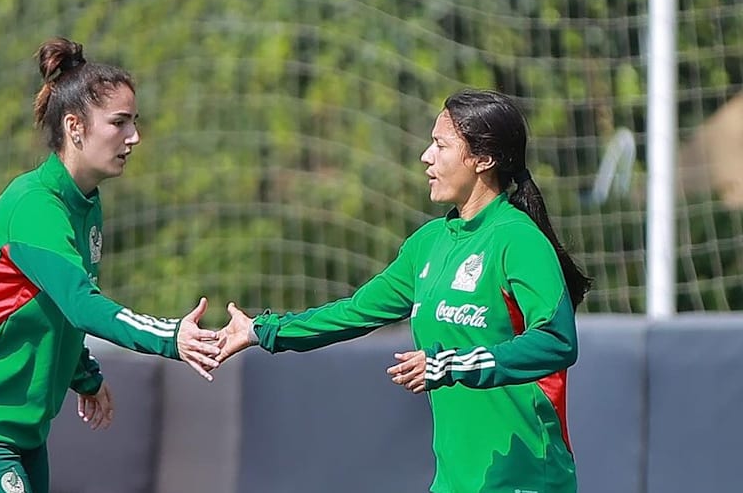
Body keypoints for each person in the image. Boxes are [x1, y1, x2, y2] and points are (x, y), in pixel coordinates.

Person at [217, 89, 591, 493]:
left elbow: (557, 341)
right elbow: (353, 312)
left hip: (527, 480)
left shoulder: (518, 240)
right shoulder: (428, 244)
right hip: (455, 483)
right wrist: (261, 330)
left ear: (484, 159)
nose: (425, 156)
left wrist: (452, 364)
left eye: (441, 145)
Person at [0, 37, 222, 493]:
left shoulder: (84, 204)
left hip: (19, 436)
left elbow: (53, 307)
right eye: (119, 123)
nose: (134, 137)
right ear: (75, 127)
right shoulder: (35, 206)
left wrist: (84, 376)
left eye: (135, 122)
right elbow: (80, 304)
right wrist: (172, 335)